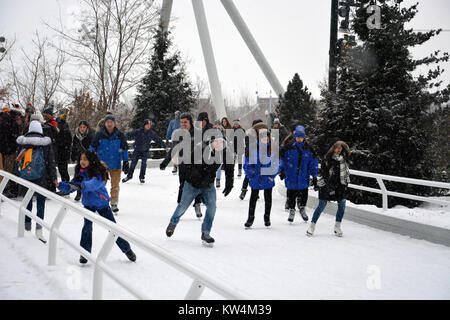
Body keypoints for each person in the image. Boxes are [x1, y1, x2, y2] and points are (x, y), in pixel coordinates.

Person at [57, 150, 136, 264]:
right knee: (87, 228)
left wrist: (81, 185)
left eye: (85, 159)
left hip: (102, 204)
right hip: (89, 204)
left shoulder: (99, 172)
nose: (82, 162)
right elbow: (72, 187)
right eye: (81, 159)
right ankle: (84, 253)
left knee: (113, 229)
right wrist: (60, 185)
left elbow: (93, 184)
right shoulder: (80, 173)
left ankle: (127, 250)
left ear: (91, 160)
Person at [164, 133, 226, 247]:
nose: (220, 144)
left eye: (222, 142)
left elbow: (215, 170)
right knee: (183, 205)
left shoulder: (221, 154)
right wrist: (190, 179)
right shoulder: (200, 148)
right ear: (212, 141)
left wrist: (210, 182)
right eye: (218, 141)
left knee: (212, 207)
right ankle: (173, 222)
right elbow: (187, 164)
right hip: (192, 183)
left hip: (207, 184)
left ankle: (206, 232)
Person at [16, 120, 58, 243]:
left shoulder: (23, 142)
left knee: (27, 201)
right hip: (41, 178)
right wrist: (54, 177)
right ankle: (39, 230)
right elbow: (51, 162)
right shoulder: (45, 143)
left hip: (25, 177)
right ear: (40, 130)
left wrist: (17, 175)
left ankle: (26, 225)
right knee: (40, 204)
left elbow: (17, 161)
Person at [306, 140, 351, 237]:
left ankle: (337, 226)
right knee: (321, 206)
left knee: (342, 205)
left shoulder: (343, 159)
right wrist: (330, 188)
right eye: (337, 148)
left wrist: (345, 145)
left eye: (340, 148)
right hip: (326, 185)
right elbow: (325, 175)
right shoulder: (327, 159)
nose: (339, 150)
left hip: (340, 186)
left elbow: (348, 153)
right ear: (333, 148)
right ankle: (312, 226)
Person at [89, 114, 129, 214]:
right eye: (107, 122)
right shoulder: (99, 134)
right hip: (102, 164)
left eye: (111, 122)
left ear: (114, 123)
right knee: (101, 184)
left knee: (115, 185)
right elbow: (92, 148)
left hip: (116, 164)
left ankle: (114, 203)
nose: (109, 124)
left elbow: (124, 149)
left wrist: (126, 161)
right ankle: (99, 202)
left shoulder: (120, 135)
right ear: (105, 123)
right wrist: (90, 159)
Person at [243, 123, 280, 228]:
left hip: (267, 178)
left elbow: (277, 164)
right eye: (263, 138)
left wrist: (271, 176)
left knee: (268, 199)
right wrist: (251, 174)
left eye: (267, 138)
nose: (265, 140)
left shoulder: (273, 149)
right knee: (253, 198)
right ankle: (250, 218)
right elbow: (247, 163)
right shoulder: (254, 149)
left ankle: (267, 217)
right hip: (256, 178)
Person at [280, 125, 318, 223]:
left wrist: (314, 176)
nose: (299, 139)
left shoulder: (309, 149)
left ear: (304, 137)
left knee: (304, 193)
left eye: (301, 137)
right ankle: (292, 210)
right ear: (295, 137)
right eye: (298, 137)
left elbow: (313, 163)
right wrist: (281, 171)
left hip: (303, 175)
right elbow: (281, 160)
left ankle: (302, 208)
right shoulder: (288, 147)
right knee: (291, 194)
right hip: (291, 175)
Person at [122, 119, 167, 183]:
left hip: (145, 151)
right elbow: (130, 134)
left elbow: (158, 139)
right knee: (133, 164)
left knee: (143, 164)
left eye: (149, 125)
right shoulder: (138, 131)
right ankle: (129, 176)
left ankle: (142, 177)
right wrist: (123, 137)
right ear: (144, 125)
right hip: (137, 150)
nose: (149, 126)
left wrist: (164, 145)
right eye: (147, 125)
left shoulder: (151, 133)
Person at [239, 119, 263, 200]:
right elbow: (248, 146)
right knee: (248, 174)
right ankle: (243, 191)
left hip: (259, 157)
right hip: (250, 156)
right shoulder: (249, 134)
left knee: (258, 175)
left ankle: (256, 192)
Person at [71, 120, 95, 201]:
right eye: (80, 127)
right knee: (78, 175)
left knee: (88, 176)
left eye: (84, 127)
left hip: (88, 159)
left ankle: (88, 192)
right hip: (79, 158)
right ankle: (79, 192)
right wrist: (73, 155)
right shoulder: (76, 136)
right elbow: (74, 147)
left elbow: (93, 147)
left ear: (87, 128)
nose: (82, 129)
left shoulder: (90, 136)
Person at [55, 115, 72, 189]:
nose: (57, 125)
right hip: (62, 155)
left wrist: (56, 142)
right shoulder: (63, 130)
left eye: (58, 124)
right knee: (63, 171)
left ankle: (66, 188)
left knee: (63, 172)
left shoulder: (65, 131)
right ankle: (65, 187)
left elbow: (63, 143)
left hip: (63, 155)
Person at [166, 111, 181, 175]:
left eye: (177, 115)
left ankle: (181, 167)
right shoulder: (172, 122)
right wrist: (167, 137)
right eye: (175, 115)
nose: (176, 116)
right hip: (174, 139)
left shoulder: (182, 122)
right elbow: (169, 130)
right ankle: (175, 167)